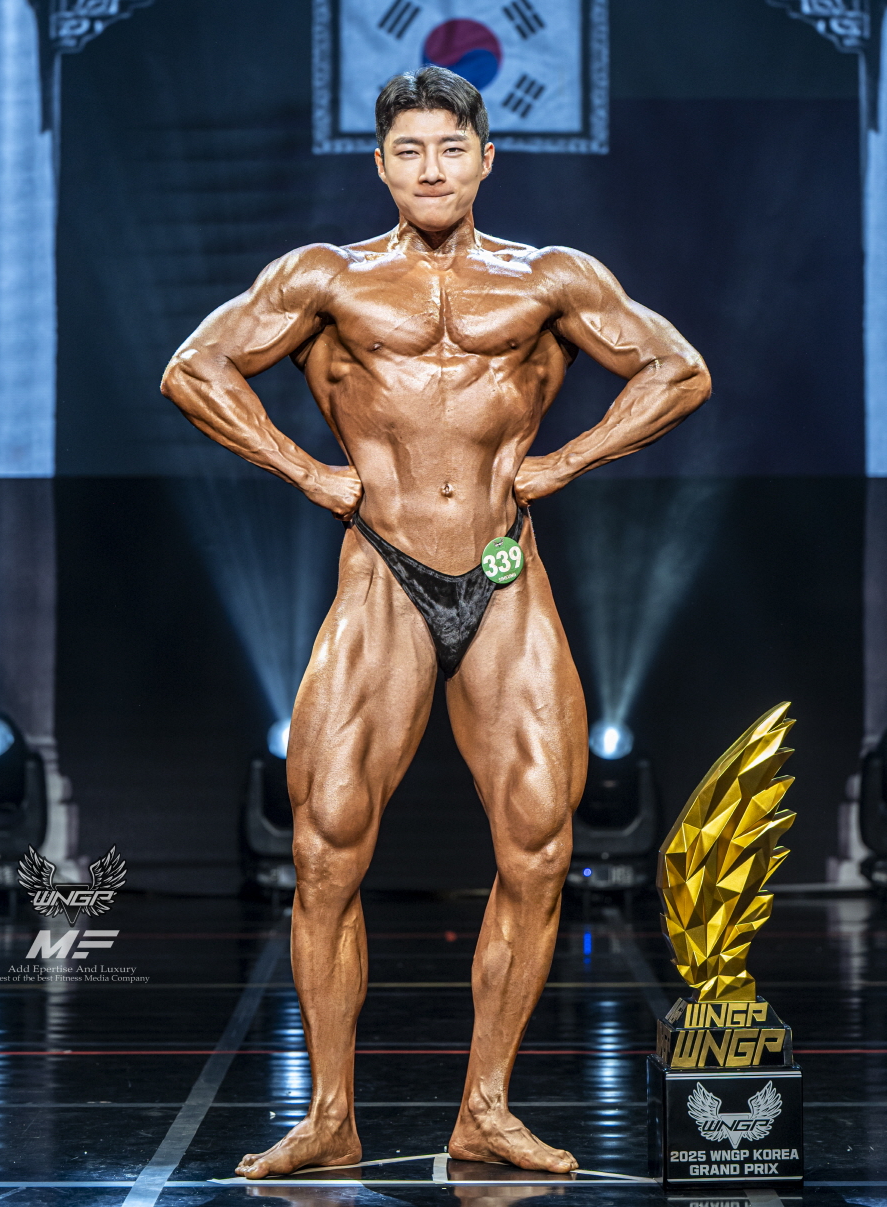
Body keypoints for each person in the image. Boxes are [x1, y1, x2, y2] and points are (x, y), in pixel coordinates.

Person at [161, 66, 710, 1179]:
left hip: (504, 575)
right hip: (382, 573)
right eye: (409, 150)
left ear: (485, 160)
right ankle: (329, 1116)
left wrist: (568, 459)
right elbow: (193, 368)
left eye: (450, 149)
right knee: (325, 849)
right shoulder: (326, 277)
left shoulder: (549, 278)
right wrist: (307, 471)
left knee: (540, 846)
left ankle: (486, 1110)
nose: (430, 169)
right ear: (381, 164)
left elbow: (679, 369)